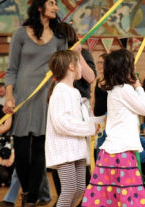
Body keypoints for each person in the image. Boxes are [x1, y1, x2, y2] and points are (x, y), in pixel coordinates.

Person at [4, 0, 67, 205]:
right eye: (51, 3)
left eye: (56, 4)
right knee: (21, 153)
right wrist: (9, 97)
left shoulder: (59, 38)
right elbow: (11, 69)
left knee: (40, 151)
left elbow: (63, 67)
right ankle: (27, 191)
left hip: (46, 97)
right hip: (22, 97)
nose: (56, 7)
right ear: (39, 7)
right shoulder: (21, 34)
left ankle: (31, 197)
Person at [81, 49, 145, 207]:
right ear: (127, 69)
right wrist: (138, 86)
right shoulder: (124, 89)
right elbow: (143, 109)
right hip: (120, 153)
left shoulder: (117, 90)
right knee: (128, 195)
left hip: (114, 152)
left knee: (111, 196)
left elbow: (140, 105)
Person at [46, 50, 96, 207]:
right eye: (80, 64)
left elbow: (77, 118)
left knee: (80, 188)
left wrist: (90, 120)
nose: (82, 68)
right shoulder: (60, 91)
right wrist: (88, 127)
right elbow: (61, 122)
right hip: (65, 150)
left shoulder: (74, 92)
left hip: (77, 148)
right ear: (71, 67)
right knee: (68, 190)